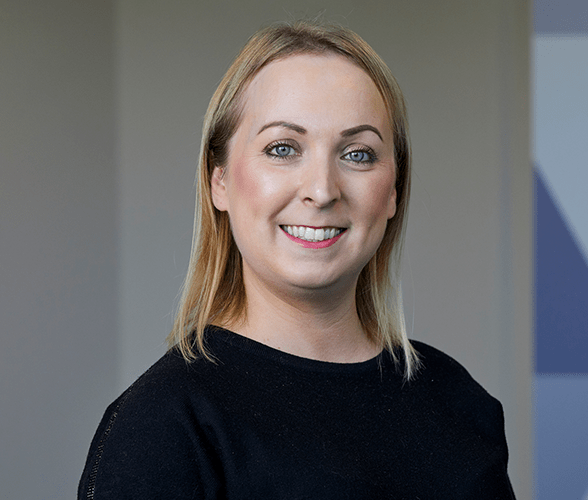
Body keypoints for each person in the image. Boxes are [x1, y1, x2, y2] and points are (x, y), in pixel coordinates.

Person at [79, 21, 516, 499]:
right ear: (218, 180)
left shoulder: (461, 405)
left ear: (392, 191)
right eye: (283, 149)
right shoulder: (161, 428)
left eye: (358, 154)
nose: (322, 190)